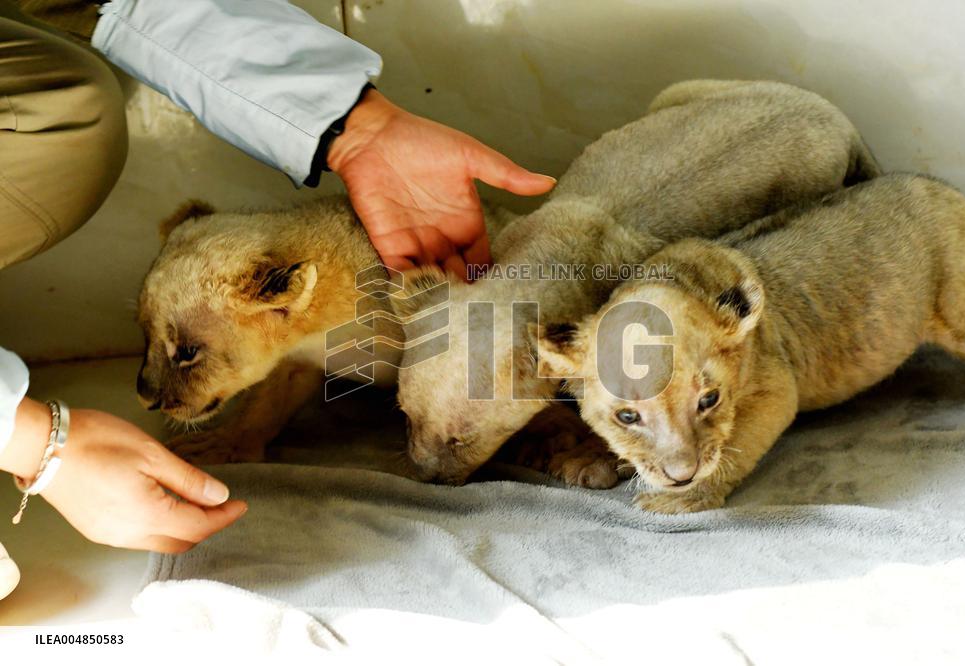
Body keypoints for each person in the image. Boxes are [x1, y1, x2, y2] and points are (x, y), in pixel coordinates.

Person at [0, 0, 556, 598]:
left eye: (185, 353)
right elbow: (292, 355)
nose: (146, 389)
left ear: (287, 294)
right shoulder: (294, 304)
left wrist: (354, 126)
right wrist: (34, 440)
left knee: (65, 108)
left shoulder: (352, 286)